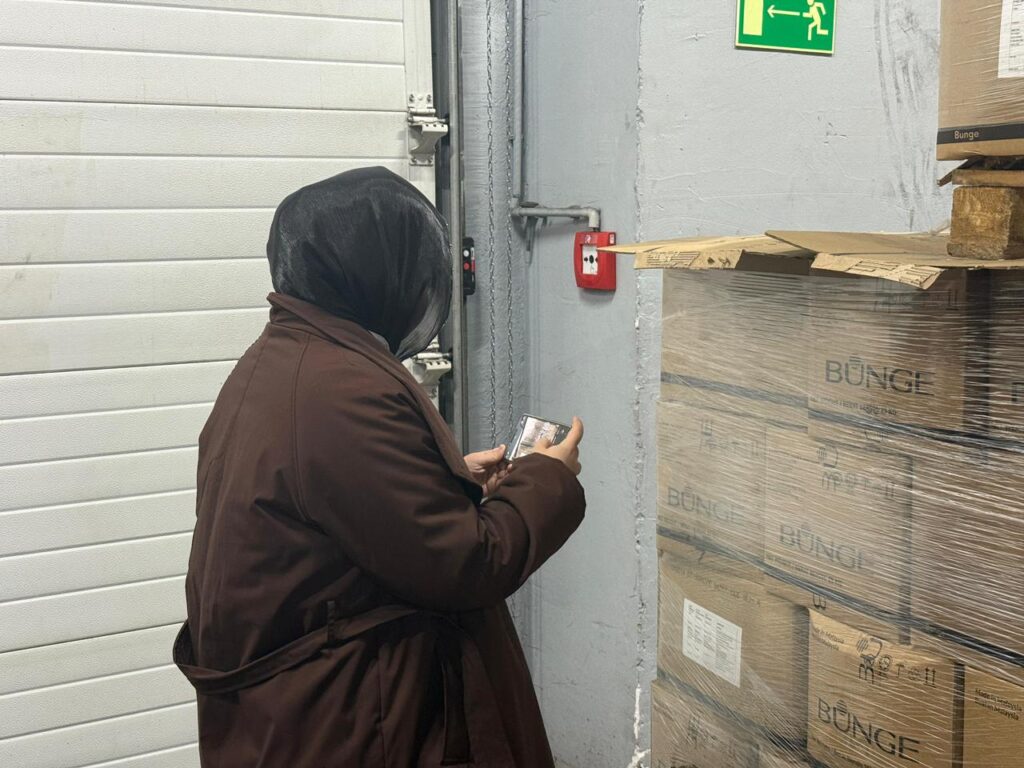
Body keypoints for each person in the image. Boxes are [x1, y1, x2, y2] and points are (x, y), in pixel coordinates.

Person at [173, 167, 587, 767]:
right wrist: (547, 477)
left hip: (293, 714)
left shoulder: (282, 359)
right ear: (370, 268)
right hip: (348, 719)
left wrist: (447, 480)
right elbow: (467, 564)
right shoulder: (339, 389)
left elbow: (341, 507)